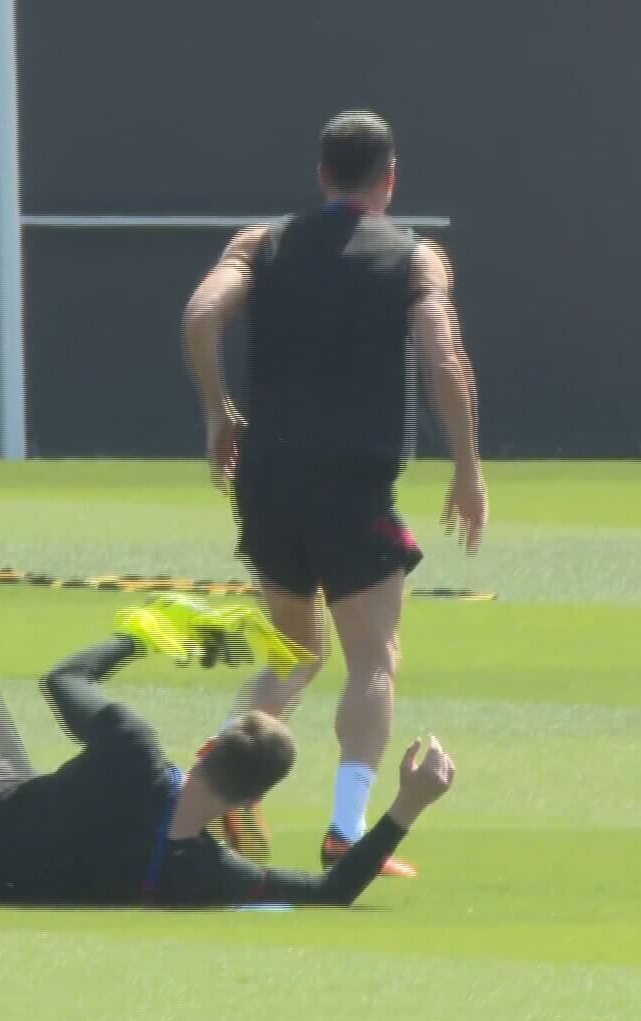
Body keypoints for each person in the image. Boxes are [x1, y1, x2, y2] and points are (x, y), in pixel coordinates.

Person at [180, 109, 487, 875]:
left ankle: (215, 784)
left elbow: (202, 314)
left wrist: (218, 412)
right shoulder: (415, 259)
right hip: (351, 489)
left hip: (268, 487)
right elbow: (444, 362)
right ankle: (346, 830)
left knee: (296, 653)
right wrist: (467, 467)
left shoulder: (262, 244)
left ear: (321, 175)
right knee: (374, 658)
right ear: (391, 179)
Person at [0, 593, 458, 907]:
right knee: (34, 786)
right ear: (248, 802)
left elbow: (63, 681)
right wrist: (407, 805)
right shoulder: (206, 874)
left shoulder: (135, 755)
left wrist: (139, 637)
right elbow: (332, 892)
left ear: (209, 745)